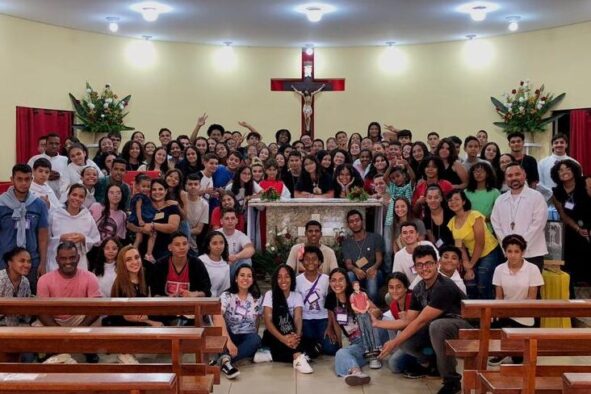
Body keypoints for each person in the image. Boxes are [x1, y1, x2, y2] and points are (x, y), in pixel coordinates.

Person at [378, 245, 470, 394]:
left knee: (436, 326)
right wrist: (378, 323)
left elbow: (420, 321)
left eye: (428, 264)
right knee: (406, 341)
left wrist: (394, 342)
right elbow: (410, 320)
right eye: (420, 265)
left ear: (437, 264)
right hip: (438, 330)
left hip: (464, 326)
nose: (424, 268)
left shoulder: (444, 286)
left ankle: (451, 381)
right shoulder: (419, 288)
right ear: (415, 267)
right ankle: (434, 362)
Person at [36, 242, 102, 362]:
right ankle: (52, 350)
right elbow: (41, 311)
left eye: (72, 257)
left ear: (78, 258)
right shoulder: (44, 280)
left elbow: (96, 308)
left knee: (97, 321)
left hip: (79, 318)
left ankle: (88, 350)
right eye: (63, 258)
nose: (68, 262)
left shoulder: (90, 277)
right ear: (57, 259)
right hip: (54, 319)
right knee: (36, 327)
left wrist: (79, 330)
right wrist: (60, 332)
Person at [488, 234, 544, 366]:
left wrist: (516, 312)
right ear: (505, 252)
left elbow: (532, 298)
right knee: (492, 319)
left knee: (518, 360)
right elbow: (499, 297)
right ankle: (502, 351)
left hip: (525, 314)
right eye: (509, 251)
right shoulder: (499, 269)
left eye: (516, 251)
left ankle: (513, 351)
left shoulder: (532, 269)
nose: (512, 255)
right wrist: (497, 312)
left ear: (523, 252)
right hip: (505, 312)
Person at [328, 268, 381, 386]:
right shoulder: (331, 299)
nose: (337, 283)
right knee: (341, 353)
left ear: (347, 281)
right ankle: (356, 372)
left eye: (341, 280)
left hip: (369, 335)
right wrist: (341, 344)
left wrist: (368, 314)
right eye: (333, 280)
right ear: (329, 282)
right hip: (356, 342)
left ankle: (373, 354)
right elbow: (336, 323)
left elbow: (378, 311)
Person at [491, 163, 548, 272]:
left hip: (532, 252)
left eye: (517, 174)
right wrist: (509, 247)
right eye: (510, 175)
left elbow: (538, 224)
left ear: (524, 175)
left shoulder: (536, 197)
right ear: (505, 178)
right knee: (509, 287)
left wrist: (519, 246)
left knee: (532, 288)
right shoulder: (500, 199)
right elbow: (496, 224)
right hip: (508, 253)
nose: (514, 178)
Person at [0, 164, 49, 291]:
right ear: (12, 180)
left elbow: (43, 237)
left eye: (27, 179)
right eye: (19, 179)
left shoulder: (39, 205)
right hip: (4, 261)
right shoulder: (1, 204)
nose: (23, 183)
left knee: (30, 301)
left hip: (31, 262)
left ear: (31, 180)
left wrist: (43, 263)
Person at [447, 190, 503, 299]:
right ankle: (474, 314)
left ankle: (489, 313)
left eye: (457, 199)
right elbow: (460, 246)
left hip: (489, 252)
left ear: (463, 201)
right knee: (470, 283)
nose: (453, 202)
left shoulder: (475, 215)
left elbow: (480, 243)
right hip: (472, 256)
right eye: (450, 200)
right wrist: (467, 265)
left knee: (483, 283)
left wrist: (471, 264)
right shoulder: (452, 222)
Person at [212, 265, 263, 379]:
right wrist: (229, 342)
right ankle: (228, 360)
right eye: (242, 275)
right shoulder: (227, 295)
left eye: (249, 276)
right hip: (230, 333)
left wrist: (253, 335)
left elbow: (258, 318)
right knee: (221, 332)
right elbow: (216, 315)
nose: (245, 278)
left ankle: (224, 360)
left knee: (256, 339)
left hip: (247, 335)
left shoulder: (257, 297)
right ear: (236, 278)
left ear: (253, 279)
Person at [261, 264, 313, 373]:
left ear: (292, 278)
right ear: (276, 279)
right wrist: (283, 338)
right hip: (274, 334)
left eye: (287, 276)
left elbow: (298, 318)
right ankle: (298, 358)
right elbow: (268, 321)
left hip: (291, 333)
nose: (283, 280)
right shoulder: (270, 295)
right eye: (279, 277)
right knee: (301, 349)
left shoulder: (296, 295)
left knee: (315, 346)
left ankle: (272, 355)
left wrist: (297, 336)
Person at [550, 159, 591, 286]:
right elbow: (563, 215)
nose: (564, 172)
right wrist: (577, 229)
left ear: (574, 170)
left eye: (568, 168)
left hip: (590, 225)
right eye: (560, 170)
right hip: (572, 230)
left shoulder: (586, 182)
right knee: (572, 268)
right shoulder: (556, 192)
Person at [371, 272, 421, 376]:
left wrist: (377, 323)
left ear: (406, 288)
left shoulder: (413, 299)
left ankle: (424, 363)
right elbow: (399, 326)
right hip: (405, 339)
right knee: (394, 364)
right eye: (391, 287)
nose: (394, 291)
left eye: (398, 287)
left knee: (394, 364)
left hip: (419, 339)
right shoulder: (394, 305)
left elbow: (411, 325)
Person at [295, 246, 339, 358]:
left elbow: (330, 306)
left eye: (314, 259)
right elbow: (297, 309)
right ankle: (315, 345)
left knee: (331, 348)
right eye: (307, 259)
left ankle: (318, 344)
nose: (310, 262)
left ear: (320, 261)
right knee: (308, 346)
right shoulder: (297, 281)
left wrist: (330, 327)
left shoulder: (326, 280)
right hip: (306, 320)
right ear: (302, 262)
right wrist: (298, 330)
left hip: (323, 319)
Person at [47, 183, 100, 272]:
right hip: (56, 261)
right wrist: (60, 238)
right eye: (74, 195)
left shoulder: (87, 216)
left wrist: (83, 238)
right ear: (68, 196)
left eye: (81, 196)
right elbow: (46, 239)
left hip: (79, 262)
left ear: (84, 199)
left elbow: (95, 239)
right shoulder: (55, 215)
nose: (77, 199)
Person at [129, 179, 181, 261]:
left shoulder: (172, 206)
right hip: (142, 252)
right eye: (154, 189)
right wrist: (141, 229)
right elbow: (129, 224)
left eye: (160, 189)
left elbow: (173, 227)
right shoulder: (144, 204)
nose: (157, 192)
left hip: (165, 252)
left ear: (166, 191)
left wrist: (152, 225)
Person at [148, 232, 212, 298]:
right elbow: (154, 293)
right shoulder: (160, 265)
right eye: (177, 244)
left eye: (184, 244)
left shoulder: (196, 264)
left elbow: (207, 291)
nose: (182, 247)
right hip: (166, 306)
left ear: (189, 246)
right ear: (170, 247)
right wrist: (168, 299)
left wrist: (195, 294)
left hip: (190, 306)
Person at [341, 210, 385, 302]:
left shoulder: (375, 238)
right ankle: (357, 305)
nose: (355, 223)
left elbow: (379, 259)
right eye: (351, 222)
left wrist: (373, 268)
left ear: (362, 221)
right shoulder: (346, 243)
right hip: (358, 274)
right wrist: (356, 270)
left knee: (372, 289)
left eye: (357, 220)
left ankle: (373, 309)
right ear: (348, 225)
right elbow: (348, 264)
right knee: (349, 275)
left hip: (374, 272)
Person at [27, 133, 68, 198]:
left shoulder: (65, 160)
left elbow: (68, 178)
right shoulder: (34, 159)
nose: (54, 146)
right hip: (38, 195)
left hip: (60, 197)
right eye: (51, 143)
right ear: (45, 145)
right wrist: (44, 176)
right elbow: (28, 176)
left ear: (60, 145)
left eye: (57, 144)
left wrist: (59, 175)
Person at [0, 247, 32, 327]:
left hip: (17, 325)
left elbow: (26, 314)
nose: (26, 265)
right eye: (22, 261)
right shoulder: (1, 279)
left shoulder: (25, 282)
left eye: (29, 261)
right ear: (9, 263)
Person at [219, 208, 255, 279]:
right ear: (221, 221)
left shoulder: (241, 235)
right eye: (227, 218)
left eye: (233, 218)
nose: (230, 221)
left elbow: (250, 249)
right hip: (217, 267)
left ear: (236, 221)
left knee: (247, 260)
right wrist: (225, 260)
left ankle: (239, 286)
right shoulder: (215, 234)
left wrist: (236, 257)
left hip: (232, 268)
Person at [350, 281, 381, 361]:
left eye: (357, 285)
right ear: (353, 287)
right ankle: (366, 348)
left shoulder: (364, 294)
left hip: (366, 313)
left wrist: (365, 309)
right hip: (359, 315)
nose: (356, 287)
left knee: (370, 330)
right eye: (355, 286)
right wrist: (360, 310)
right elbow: (353, 306)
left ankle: (374, 347)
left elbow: (367, 303)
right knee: (363, 332)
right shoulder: (352, 296)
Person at [465, 162, 500, 230]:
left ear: (487, 174)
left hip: (488, 227)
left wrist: (487, 218)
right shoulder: (466, 192)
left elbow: (499, 211)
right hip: (469, 227)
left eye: (482, 171)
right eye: (476, 171)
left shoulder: (495, 192)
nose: (478, 174)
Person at [129, 174, 157, 261]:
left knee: (139, 238)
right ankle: (148, 254)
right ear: (137, 186)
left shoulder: (145, 197)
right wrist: (140, 220)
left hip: (141, 219)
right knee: (153, 234)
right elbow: (138, 208)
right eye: (143, 186)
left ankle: (133, 252)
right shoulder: (140, 197)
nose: (146, 189)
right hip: (141, 220)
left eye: (148, 186)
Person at [199, 231, 230, 298]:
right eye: (214, 243)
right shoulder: (200, 261)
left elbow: (224, 289)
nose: (218, 246)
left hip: (215, 301)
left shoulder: (225, 265)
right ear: (208, 246)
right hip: (198, 299)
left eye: (221, 243)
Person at [185, 174, 209, 252]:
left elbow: (199, 230)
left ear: (200, 186)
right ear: (186, 186)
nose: (193, 186)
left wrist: (183, 231)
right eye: (190, 184)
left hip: (192, 246)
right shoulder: (181, 200)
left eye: (196, 184)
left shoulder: (204, 204)